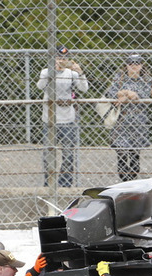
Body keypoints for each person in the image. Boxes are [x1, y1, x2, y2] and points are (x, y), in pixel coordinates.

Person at [36, 45, 88, 187]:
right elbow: (40, 86)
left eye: (64, 58)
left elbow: (84, 88)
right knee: (48, 154)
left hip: (68, 119)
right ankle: (49, 183)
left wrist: (80, 72)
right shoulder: (46, 72)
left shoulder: (72, 74)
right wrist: (51, 71)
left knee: (68, 155)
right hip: (49, 119)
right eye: (59, 58)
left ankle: (65, 184)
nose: (61, 60)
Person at [105, 54, 151, 182]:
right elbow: (111, 93)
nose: (134, 66)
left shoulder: (146, 79)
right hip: (122, 120)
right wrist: (126, 94)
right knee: (121, 152)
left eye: (137, 63)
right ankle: (124, 180)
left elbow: (145, 95)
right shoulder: (119, 78)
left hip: (138, 120)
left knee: (135, 153)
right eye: (131, 64)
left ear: (141, 65)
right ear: (126, 65)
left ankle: (133, 179)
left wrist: (126, 95)